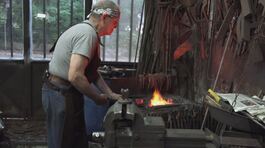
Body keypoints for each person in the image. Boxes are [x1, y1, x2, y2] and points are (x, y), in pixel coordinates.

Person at [41, 1, 122, 148]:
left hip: (66, 93)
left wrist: (109, 94)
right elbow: (76, 76)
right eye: (115, 23)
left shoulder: (85, 31)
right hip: (61, 95)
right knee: (62, 142)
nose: (115, 27)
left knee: (75, 141)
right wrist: (97, 98)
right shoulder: (87, 35)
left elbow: (91, 72)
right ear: (104, 17)